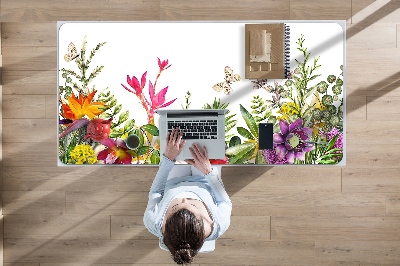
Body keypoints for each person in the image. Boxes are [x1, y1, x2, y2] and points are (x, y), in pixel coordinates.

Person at [144, 127, 232, 264]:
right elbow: (224, 202)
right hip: (205, 181)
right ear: (204, 222)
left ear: (165, 224)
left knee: (173, 144)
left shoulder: (153, 222)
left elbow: (156, 192)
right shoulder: (219, 224)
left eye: (176, 206)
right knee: (206, 142)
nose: (184, 198)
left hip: (173, 181)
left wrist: (168, 159)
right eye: (192, 205)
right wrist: (208, 171)